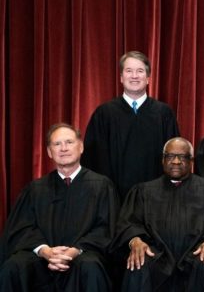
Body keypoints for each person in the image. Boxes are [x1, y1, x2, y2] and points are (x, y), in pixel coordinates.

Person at [111, 137, 204, 291]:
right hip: (156, 258)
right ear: (163, 160)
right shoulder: (143, 191)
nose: (176, 161)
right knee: (138, 261)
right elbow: (128, 223)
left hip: (196, 256)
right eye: (170, 156)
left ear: (191, 161)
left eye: (182, 157)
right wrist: (135, 241)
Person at [0, 123, 119, 291]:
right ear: (49, 152)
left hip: (83, 256)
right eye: (57, 144)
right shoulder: (35, 189)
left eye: (69, 142)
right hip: (41, 261)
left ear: (81, 147)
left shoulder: (101, 186)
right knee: (13, 267)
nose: (63, 148)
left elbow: (106, 228)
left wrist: (75, 251)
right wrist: (44, 251)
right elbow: (22, 227)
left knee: (91, 266)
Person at [82, 50, 180, 199]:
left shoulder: (164, 114)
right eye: (129, 71)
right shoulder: (104, 114)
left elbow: (175, 158)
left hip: (156, 198)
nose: (134, 76)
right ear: (121, 77)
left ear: (148, 78)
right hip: (112, 199)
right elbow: (91, 159)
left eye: (140, 71)